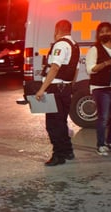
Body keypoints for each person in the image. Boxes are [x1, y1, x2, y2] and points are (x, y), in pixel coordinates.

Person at [35, 20, 80, 166]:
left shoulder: (60, 44)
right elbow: (76, 70)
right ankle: (68, 151)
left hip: (55, 89)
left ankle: (58, 155)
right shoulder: (75, 46)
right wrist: (69, 86)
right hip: (65, 89)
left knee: (53, 124)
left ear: (57, 30)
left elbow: (54, 68)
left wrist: (42, 89)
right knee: (61, 122)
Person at [86, 22, 111, 156]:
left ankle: (110, 142)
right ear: (98, 35)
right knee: (103, 117)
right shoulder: (94, 49)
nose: (105, 33)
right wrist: (107, 63)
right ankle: (100, 145)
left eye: (107, 31)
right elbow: (90, 69)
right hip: (100, 88)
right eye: (101, 31)